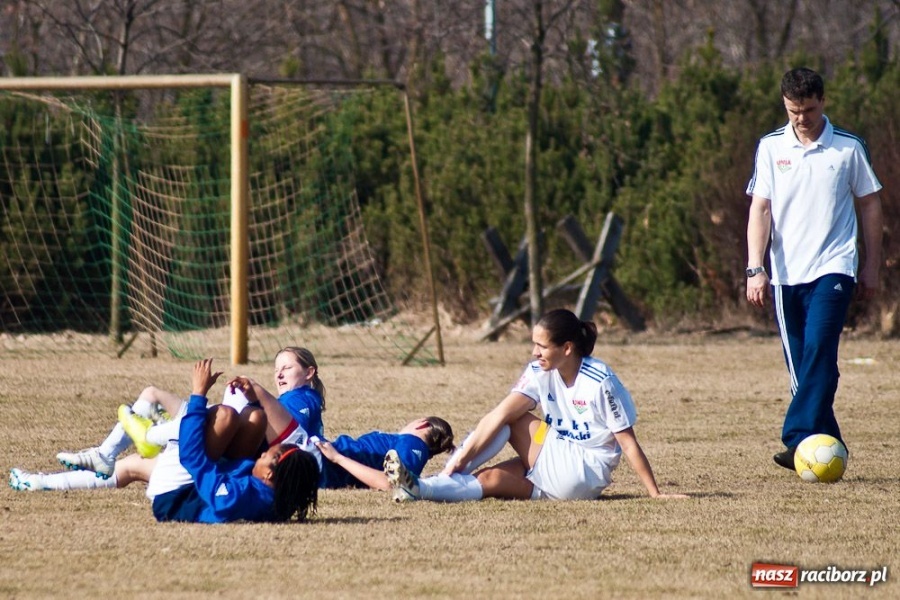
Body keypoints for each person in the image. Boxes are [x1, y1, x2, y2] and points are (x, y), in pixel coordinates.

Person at [384, 308, 687, 502]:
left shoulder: (599, 380)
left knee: (512, 418)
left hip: (581, 468)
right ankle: (419, 489)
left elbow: (628, 442)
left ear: (567, 348)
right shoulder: (541, 372)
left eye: (542, 346)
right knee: (487, 480)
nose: (534, 352)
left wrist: (655, 494)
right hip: (562, 475)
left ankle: (443, 476)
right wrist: (462, 464)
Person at [745, 67, 883, 471]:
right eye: (792, 111)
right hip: (786, 274)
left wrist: (871, 266)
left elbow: (871, 204)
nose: (801, 118)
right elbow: (761, 207)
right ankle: (826, 444)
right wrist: (755, 268)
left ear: (822, 101)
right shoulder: (770, 147)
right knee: (804, 366)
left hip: (834, 267)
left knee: (820, 349)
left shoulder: (848, 148)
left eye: (807, 109)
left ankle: (796, 436)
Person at [11, 359, 320, 524]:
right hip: (184, 489)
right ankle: (40, 483)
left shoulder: (241, 497)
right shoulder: (274, 493)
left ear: (269, 474)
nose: (263, 453)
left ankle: (151, 434)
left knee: (220, 415)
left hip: (174, 497)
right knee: (254, 419)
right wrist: (251, 401)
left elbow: (196, 462)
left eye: (269, 455)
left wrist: (198, 393)